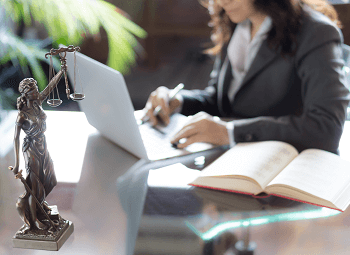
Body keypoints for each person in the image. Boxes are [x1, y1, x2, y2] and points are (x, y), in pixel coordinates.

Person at [142, 0, 350, 154]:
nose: (222, 2)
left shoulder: (317, 32)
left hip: (286, 173)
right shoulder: (237, 22)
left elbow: (326, 129)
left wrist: (230, 132)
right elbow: (223, 101)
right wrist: (179, 100)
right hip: (234, 161)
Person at [11, 75, 63, 232]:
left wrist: (62, 70)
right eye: (33, 90)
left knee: (51, 179)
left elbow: (50, 86)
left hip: (43, 145)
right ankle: (34, 222)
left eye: (36, 89)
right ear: (26, 94)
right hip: (31, 148)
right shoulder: (22, 114)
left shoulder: (38, 102)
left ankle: (40, 206)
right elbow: (15, 138)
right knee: (35, 187)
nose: (37, 92)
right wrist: (17, 163)